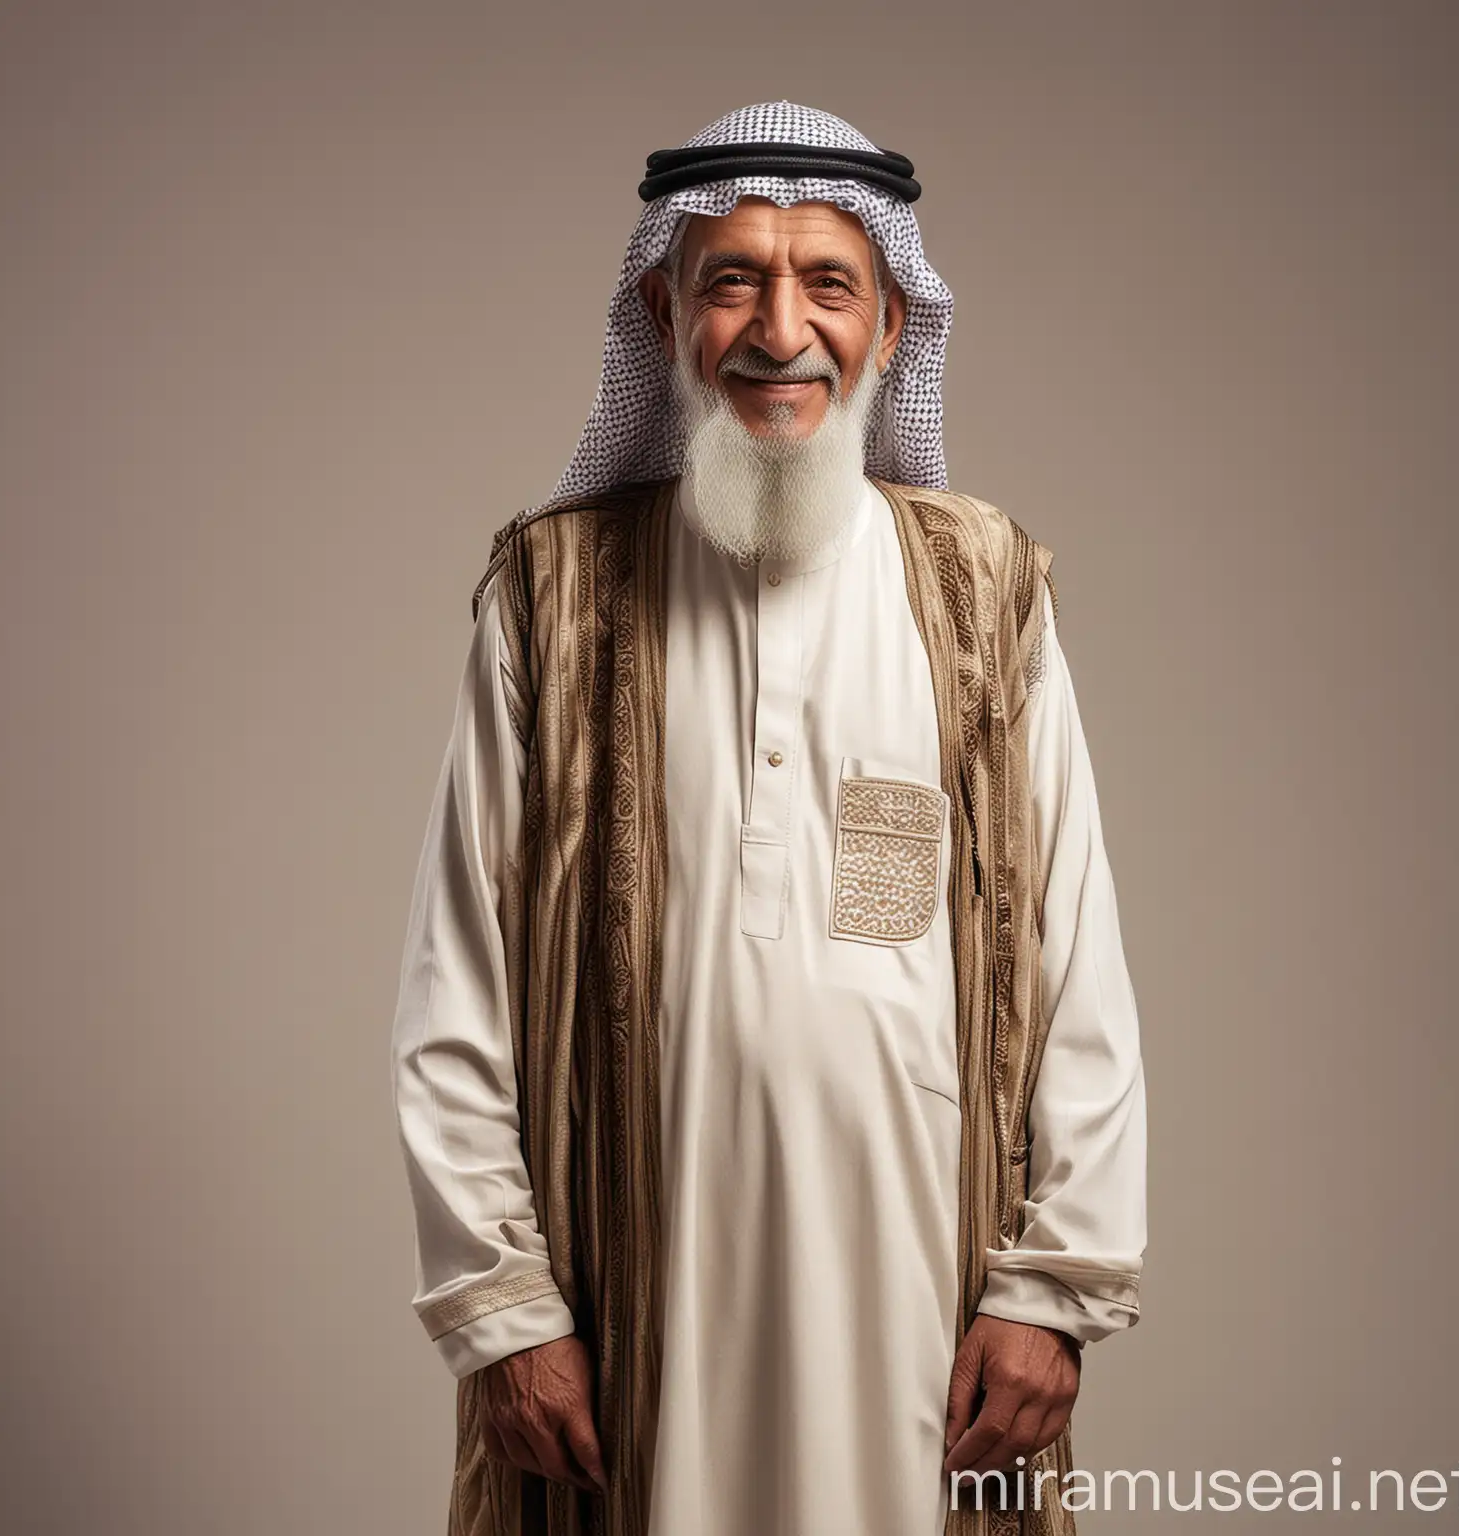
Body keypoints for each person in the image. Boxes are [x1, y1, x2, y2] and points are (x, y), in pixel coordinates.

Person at [390, 100, 1147, 1536]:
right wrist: (499, 1312)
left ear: (891, 326)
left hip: (926, 1311)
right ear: (667, 307)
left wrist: (1058, 1291)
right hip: (623, 1318)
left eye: (827, 284)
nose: (776, 329)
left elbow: (1075, 963)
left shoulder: (984, 590)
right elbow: (455, 986)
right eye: (734, 277)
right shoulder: (551, 600)